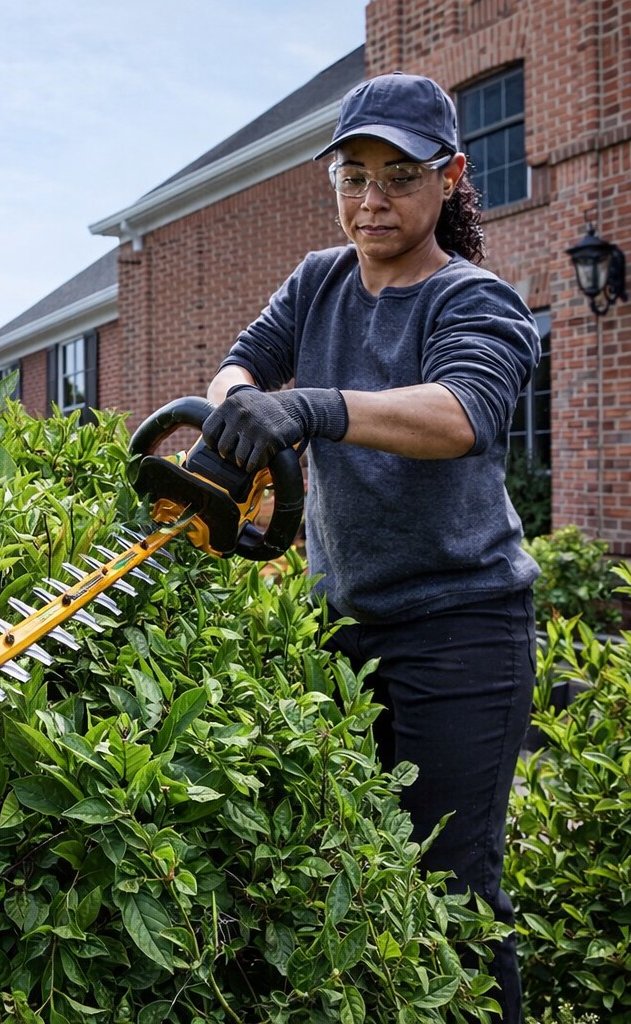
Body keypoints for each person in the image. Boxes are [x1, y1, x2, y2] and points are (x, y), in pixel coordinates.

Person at [202, 72, 540, 1022]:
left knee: (454, 886)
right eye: (352, 176)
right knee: (353, 872)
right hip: (341, 628)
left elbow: (459, 414)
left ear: (450, 178)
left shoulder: (477, 300)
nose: (371, 199)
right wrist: (236, 420)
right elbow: (244, 361)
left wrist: (315, 407)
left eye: (398, 176)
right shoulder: (317, 281)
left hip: (460, 632)